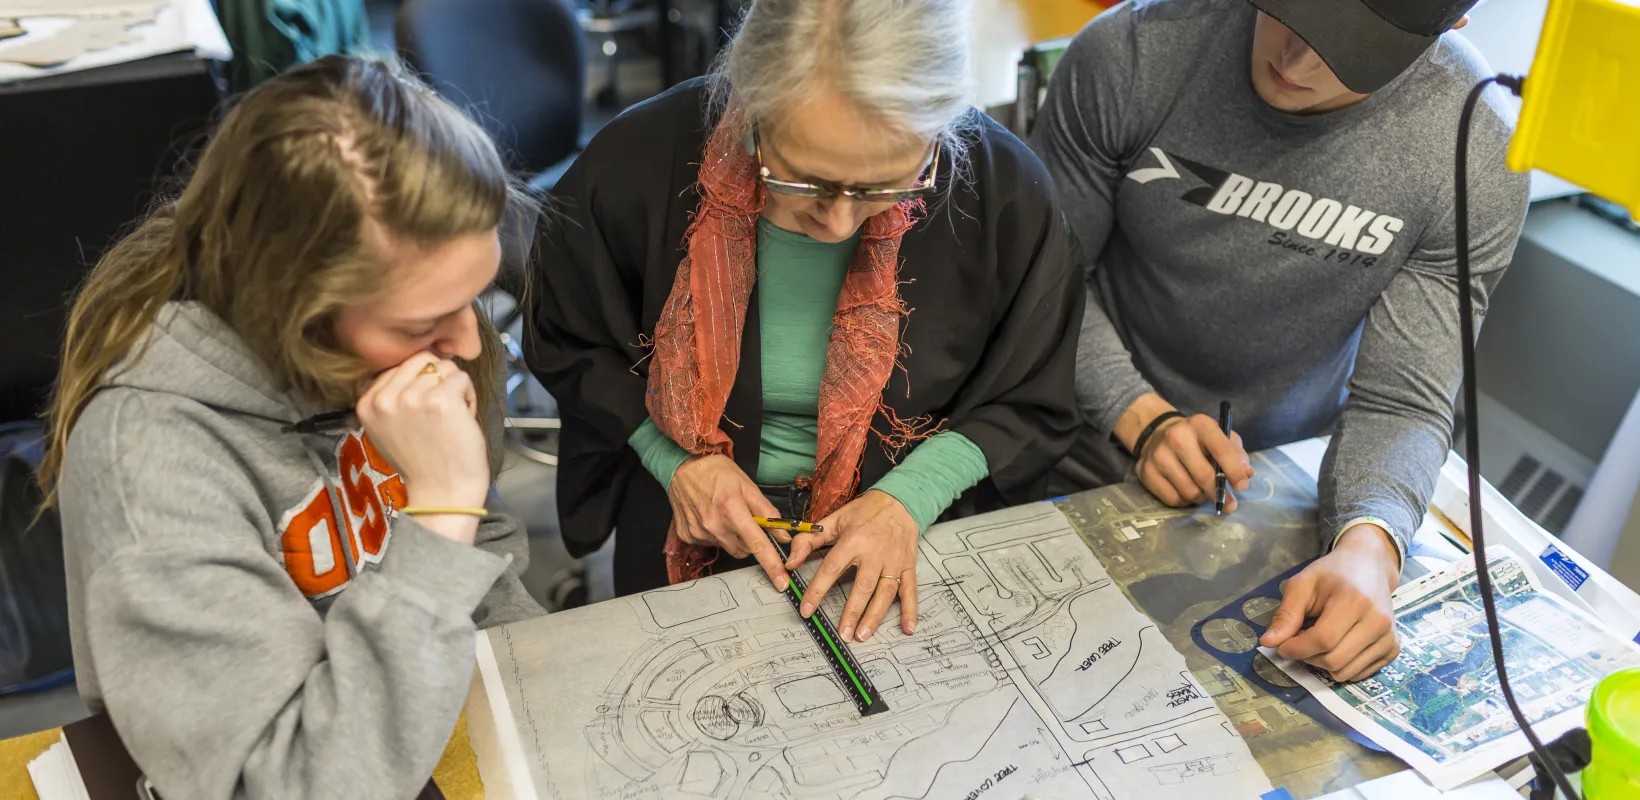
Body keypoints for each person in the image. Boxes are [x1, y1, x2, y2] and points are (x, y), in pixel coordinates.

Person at [39, 56, 545, 799]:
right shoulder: (147, 460)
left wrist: (544, 689)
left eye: (477, 296)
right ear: (296, 314)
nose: (471, 345)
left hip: (428, 715)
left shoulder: (410, 350)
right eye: (423, 322)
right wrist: (438, 513)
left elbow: (486, 556)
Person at [529, 0, 1083, 644]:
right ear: (753, 108)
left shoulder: (1001, 189)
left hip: (908, 529)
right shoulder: (641, 159)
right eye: (806, 181)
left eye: (882, 186)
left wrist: (910, 498)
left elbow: (1028, 390)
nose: (840, 222)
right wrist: (676, 462)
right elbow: (571, 335)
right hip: (688, 513)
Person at [1032, 0, 1529, 682]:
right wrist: (1136, 413)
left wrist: (1371, 542)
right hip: (1080, 436)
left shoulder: (1473, 145)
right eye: (1289, 13)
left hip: (1279, 487)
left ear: (1445, 31)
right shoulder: (1135, 52)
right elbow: (1046, 285)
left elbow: (1403, 401)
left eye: (1348, 51)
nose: (1293, 62)